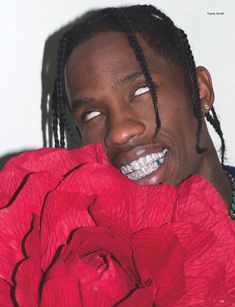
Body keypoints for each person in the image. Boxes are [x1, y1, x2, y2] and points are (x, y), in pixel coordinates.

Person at [1, 4, 235, 306]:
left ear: (200, 91)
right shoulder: (83, 266)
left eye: (140, 91)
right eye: (92, 113)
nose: (119, 132)